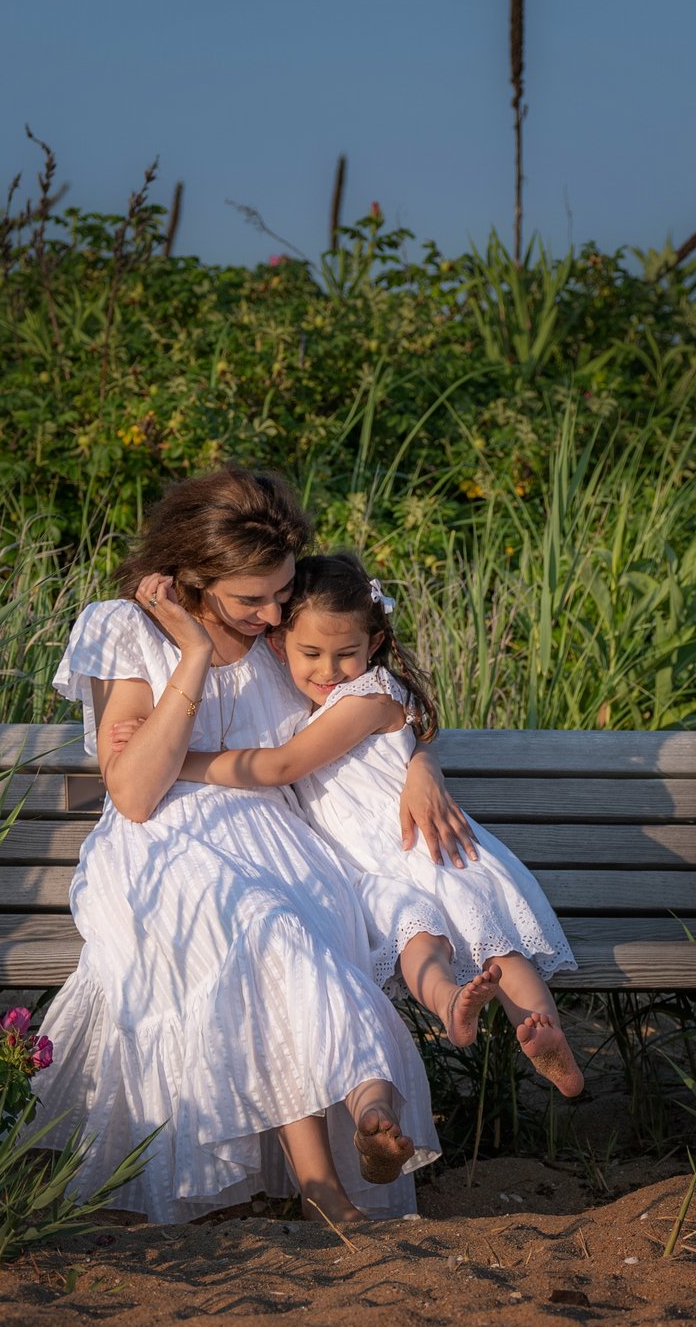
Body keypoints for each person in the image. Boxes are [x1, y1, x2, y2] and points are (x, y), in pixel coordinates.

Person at [32, 467, 471, 1224]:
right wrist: (194, 656)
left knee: (289, 931)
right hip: (163, 846)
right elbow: (136, 793)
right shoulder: (124, 630)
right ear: (191, 578)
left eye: (281, 591)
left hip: (281, 841)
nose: (272, 614)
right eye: (251, 600)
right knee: (260, 924)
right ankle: (322, 1179)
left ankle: (353, 1137)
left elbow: (377, 700)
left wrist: (423, 763)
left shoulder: (282, 632)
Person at [159, 550, 586, 1098]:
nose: (328, 669)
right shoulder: (311, 703)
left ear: (375, 646)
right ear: (278, 643)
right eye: (310, 652)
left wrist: (178, 762)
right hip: (370, 876)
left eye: (346, 653)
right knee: (417, 938)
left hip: (425, 850)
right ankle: (451, 1004)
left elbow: (281, 766)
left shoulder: (371, 694)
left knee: (495, 941)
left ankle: (545, 1035)